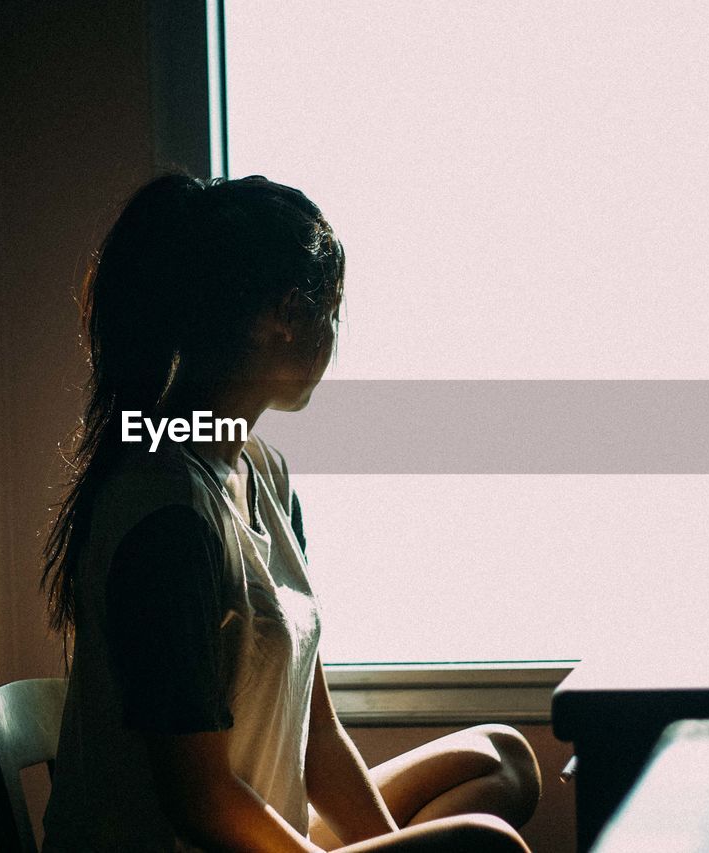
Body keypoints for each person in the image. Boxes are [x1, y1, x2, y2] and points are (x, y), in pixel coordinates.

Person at [39, 173, 542, 852]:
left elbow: (318, 737)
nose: (335, 334)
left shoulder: (264, 473)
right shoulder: (165, 512)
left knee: (504, 758)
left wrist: (388, 849)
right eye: (330, 309)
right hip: (205, 838)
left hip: (266, 828)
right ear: (283, 315)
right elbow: (199, 799)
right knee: (487, 846)